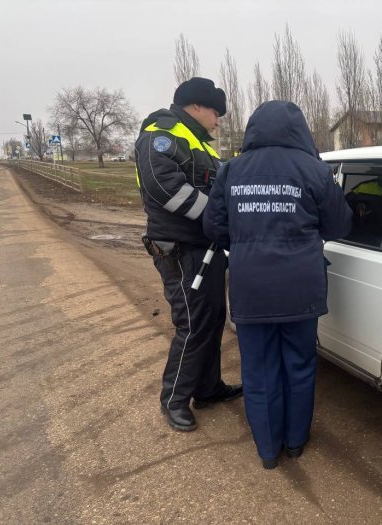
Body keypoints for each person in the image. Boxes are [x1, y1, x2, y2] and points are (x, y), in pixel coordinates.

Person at [203, 100, 352, 469]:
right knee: (299, 366)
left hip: (251, 287)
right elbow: (338, 226)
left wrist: (246, 246)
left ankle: (268, 451)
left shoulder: (231, 170)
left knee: (258, 371)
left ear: (254, 129)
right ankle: (296, 442)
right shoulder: (315, 170)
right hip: (301, 288)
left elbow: (214, 228)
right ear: (299, 130)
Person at [135, 77, 242, 432]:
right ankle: (174, 400)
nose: (218, 120)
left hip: (204, 248)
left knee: (212, 317)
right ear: (197, 106)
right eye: (216, 112)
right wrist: (215, 216)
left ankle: (208, 388)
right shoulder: (161, 134)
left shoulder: (197, 142)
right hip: (180, 250)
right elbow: (164, 187)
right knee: (193, 323)